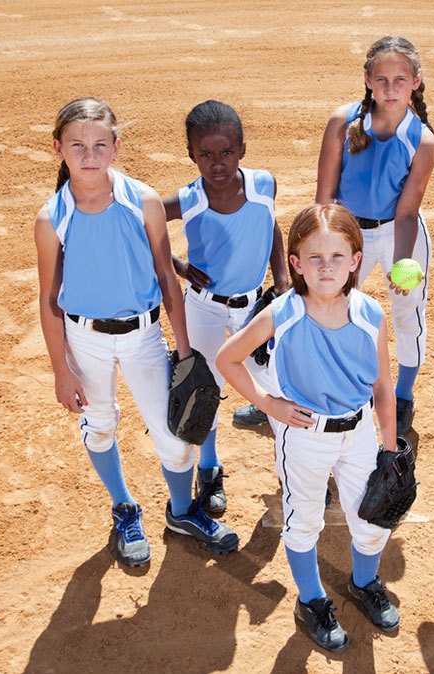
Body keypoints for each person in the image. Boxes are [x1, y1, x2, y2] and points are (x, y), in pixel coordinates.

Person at [33, 97, 238, 568]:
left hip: (144, 336)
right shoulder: (52, 219)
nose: (90, 155)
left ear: (116, 147)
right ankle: (125, 508)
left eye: (100, 144)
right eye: (78, 145)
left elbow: (168, 278)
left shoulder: (141, 199)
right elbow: (50, 301)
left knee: (176, 436)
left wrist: (184, 349)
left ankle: (182, 512)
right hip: (85, 341)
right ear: (58, 150)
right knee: (100, 425)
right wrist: (61, 371)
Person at [216, 204, 402, 651]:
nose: (326, 267)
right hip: (303, 434)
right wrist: (266, 403)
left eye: (337, 256)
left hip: (358, 433)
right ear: (295, 264)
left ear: (356, 259)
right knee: (304, 522)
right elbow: (227, 358)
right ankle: (312, 600)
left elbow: (382, 386)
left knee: (374, 521)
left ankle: (364, 582)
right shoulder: (284, 312)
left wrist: (391, 449)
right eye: (313, 258)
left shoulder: (371, 313)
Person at [284, 34, 434, 438]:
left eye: (400, 79)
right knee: (317, 305)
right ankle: (292, 385)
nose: (390, 89)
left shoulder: (422, 139)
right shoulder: (342, 121)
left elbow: (406, 212)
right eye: (381, 79)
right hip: (345, 235)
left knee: (407, 315)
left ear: (416, 81)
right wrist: (322, 249)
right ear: (367, 78)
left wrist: (403, 264)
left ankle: (402, 396)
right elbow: (324, 197)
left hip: (399, 236)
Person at [162, 100, 289, 516]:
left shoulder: (264, 184)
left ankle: (293, 472)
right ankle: (210, 469)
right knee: (206, 388)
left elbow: (271, 225)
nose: (217, 164)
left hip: (254, 306)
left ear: (243, 150)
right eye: (205, 155)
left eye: (226, 153)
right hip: (205, 308)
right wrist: (178, 266)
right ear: (191, 154)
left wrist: (283, 281)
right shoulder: (189, 199)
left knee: (273, 383)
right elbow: (140, 225)